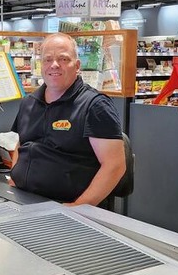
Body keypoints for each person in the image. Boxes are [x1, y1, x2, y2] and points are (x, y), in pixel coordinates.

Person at [10, 33, 127, 206]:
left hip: (69, 206)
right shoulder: (29, 102)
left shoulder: (94, 106)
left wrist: (77, 207)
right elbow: (21, 145)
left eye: (63, 59)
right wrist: (14, 178)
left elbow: (115, 166)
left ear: (77, 65)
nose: (54, 65)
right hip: (24, 200)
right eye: (47, 60)